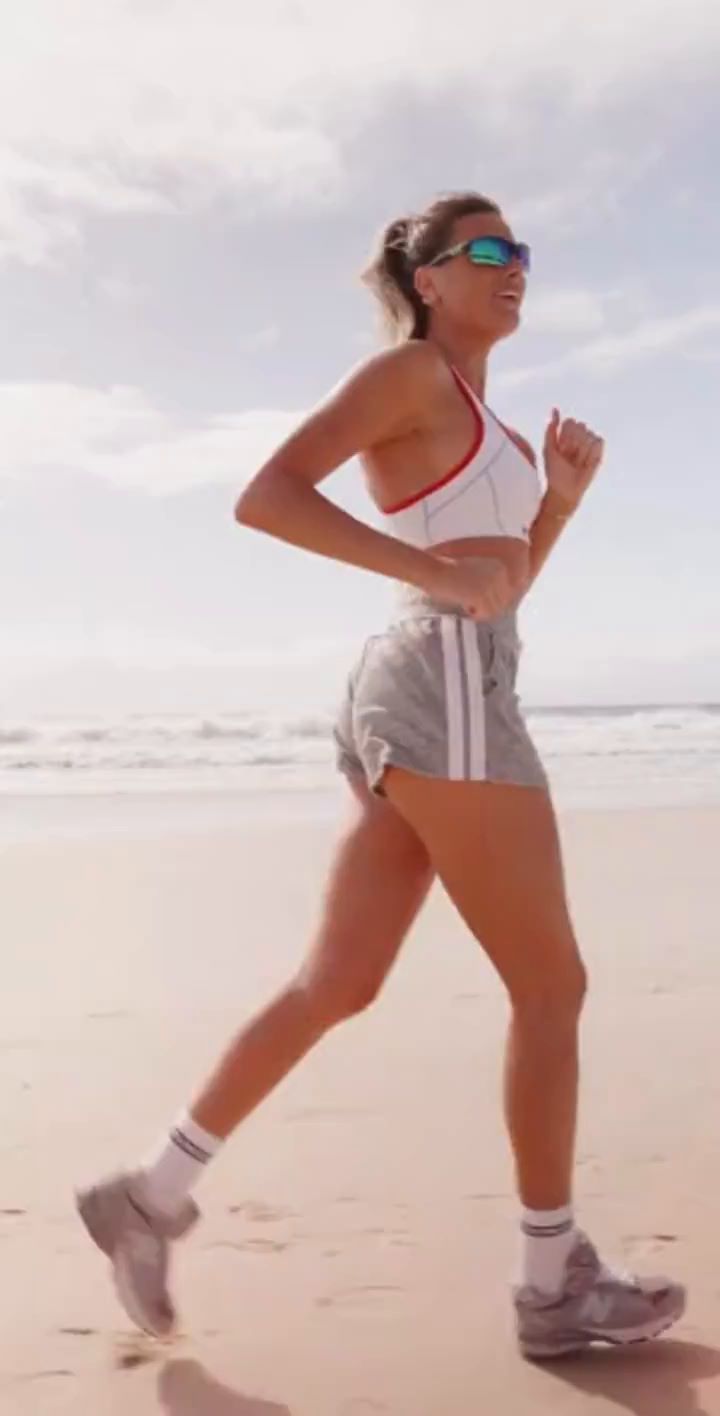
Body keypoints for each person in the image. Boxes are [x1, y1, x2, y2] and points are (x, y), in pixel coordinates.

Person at [77, 191, 686, 1360]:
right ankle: (551, 1280)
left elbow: (497, 582)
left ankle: (149, 1195)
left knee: (339, 981)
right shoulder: (410, 375)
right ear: (428, 279)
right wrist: (433, 575)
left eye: (524, 252)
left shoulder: (482, 419)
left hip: (443, 678)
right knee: (551, 988)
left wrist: (553, 506)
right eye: (490, 251)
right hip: (440, 684)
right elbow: (268, 495)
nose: (517, 269)